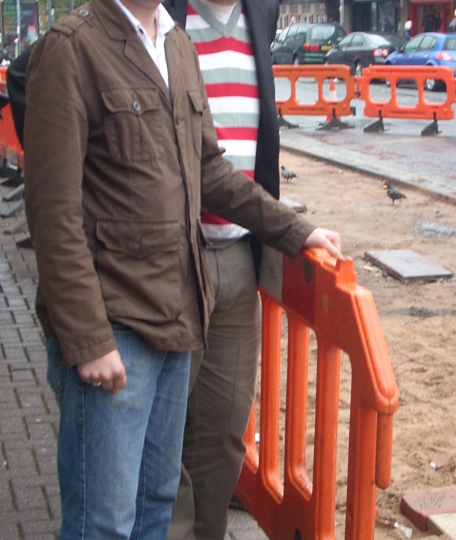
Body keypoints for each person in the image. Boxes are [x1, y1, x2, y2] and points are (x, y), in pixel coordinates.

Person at [21, 0, 342, 537]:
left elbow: (209, 169)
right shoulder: (70, 48)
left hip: (177, 316)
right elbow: (53, 212)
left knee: (156, 507)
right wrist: (87, 337)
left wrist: (293, 229)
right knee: (102, 522)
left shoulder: (176, 44)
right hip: (115, 329)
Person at [157, 0, 287, 538]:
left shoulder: (262, 12)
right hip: (172, 259)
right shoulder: (159, 16)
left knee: (223, 430)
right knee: (162, 434)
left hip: (236, 255)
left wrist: (288, 229)